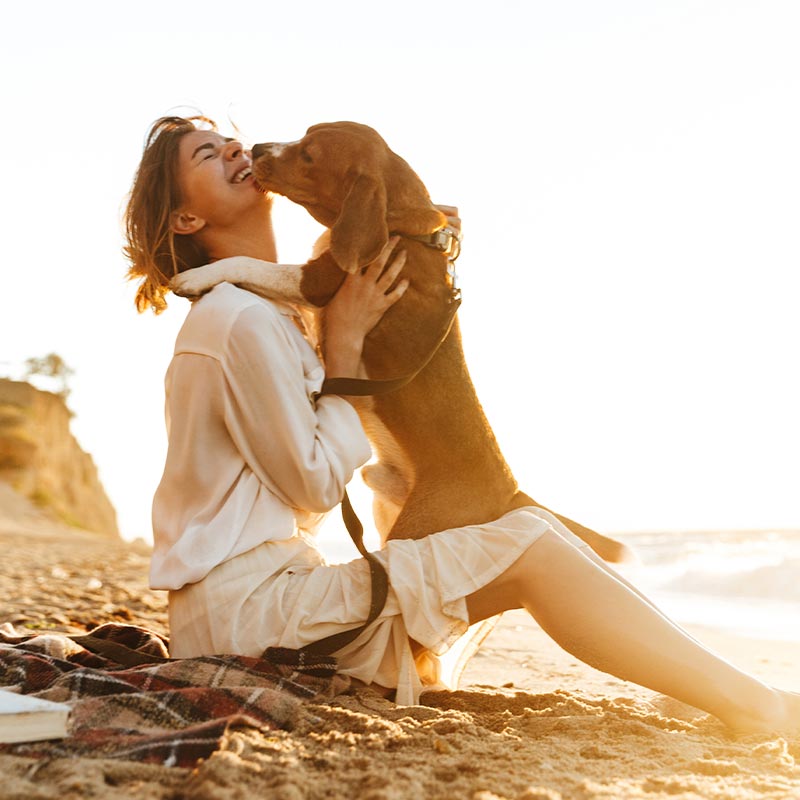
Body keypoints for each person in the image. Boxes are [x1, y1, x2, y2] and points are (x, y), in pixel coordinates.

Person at [124, 115, 799, 733]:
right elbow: (312, 487)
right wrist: (348, 353)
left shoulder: (261, 313)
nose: (238, 150)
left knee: (527, 539)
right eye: (208, 155)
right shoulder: (234, 317)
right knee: (530, 543)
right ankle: (758, 706)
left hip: (260, 605)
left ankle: (711, 687)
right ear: (184, 218)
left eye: (231, 139)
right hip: (253, 618)